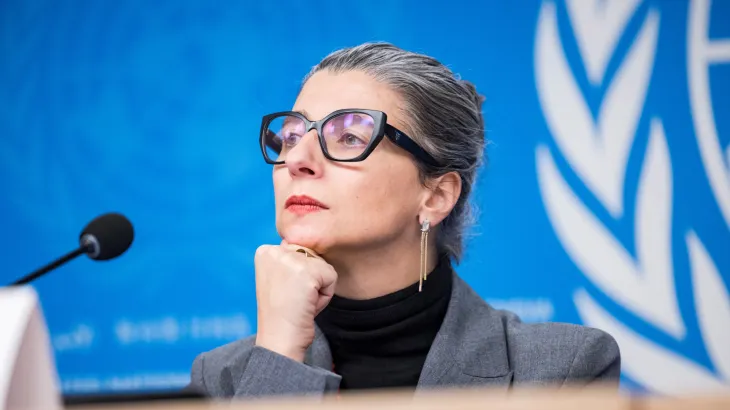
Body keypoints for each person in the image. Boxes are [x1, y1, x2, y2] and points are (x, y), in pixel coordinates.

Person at [187, 42, 620, 398]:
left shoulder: (562, 369)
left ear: (436, 195)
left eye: (349, 136)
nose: (297, 159)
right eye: (292, 136)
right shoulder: (222, 378)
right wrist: (279, 356)